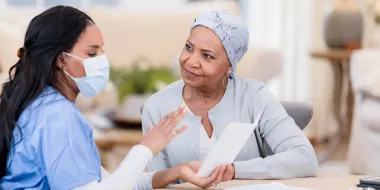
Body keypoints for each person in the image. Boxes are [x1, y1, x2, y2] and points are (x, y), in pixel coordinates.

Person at [0, 6, 223, 190]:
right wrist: (145, 149)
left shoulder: (42, 105)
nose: (102, 60)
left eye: (101, 51)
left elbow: (112, 184)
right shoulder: (58, 116)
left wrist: (174, 172)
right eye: (91, 53)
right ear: (61, 60)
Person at [142, 10, 319, 184]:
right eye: (189, 48)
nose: (191, 61)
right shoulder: (157, 106)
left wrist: (233, 170)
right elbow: (154, 183)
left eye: (207, 56)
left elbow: (305, 158)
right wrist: (177, 173)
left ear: (230, 66)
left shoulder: (256, 97)